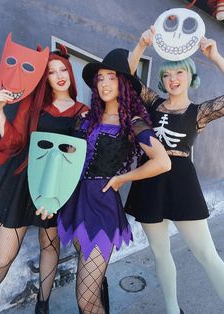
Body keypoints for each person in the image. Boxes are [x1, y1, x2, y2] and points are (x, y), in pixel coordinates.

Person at [57, 48, 171, 314]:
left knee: (85, 300)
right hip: (74, 203)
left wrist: (123, 178)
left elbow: (162, 162)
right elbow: (69, 157)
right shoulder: (87, 118)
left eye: (112, 77)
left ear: (123, 84)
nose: (105, 83)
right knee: (91, 287)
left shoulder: (133, 123)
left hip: (101, 207)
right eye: (100, 78)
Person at [125, 27, 224, 314]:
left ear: (191, 76)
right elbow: (126, 78)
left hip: (182, 181)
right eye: (167, 74)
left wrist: (216, 56)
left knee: (207, 254)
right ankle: (172, 310)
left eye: (180, 73)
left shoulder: (200, 112)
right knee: (159, 251)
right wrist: (141, 45)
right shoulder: (153, 103)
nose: (172, 79)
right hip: (150, 180)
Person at [0, 46, 88, 313]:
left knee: (50, 244)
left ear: (70, 73)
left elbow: (81, 157)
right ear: (45, 78)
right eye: (52, 72)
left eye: (63, 70)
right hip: (23, 182)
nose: (59, 76)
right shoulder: (33, 105)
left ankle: (42, 306)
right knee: (3, 255)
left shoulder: (83, 111)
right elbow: (15, 141)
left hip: (57, 186)